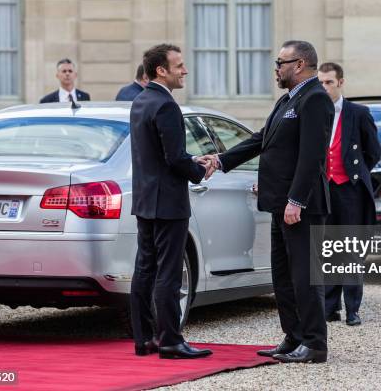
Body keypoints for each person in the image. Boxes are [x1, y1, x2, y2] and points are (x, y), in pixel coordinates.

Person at [201, 40, 334, 363]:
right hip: (278, 204)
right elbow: (262, 139)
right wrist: (221, 160)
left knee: (304, 277)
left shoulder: (315, 99)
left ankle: (314, 343)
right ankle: (293, 336)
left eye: (281, 62)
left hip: (300, 207)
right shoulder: (287, 100)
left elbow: (312, 156)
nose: (276, 68)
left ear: (299, 64)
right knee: (283, 277)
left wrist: (297, 200)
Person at [129, 43, 212, 359]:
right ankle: (171, 341)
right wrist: (199, 169)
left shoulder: (140, 101)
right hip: (168, 202)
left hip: (147, 200)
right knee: (168, 271)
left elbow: (158, 154)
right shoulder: (166, 106)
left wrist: (192, 158)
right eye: (179, 65)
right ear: (161, 70)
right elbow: (174, 159)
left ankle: (145, 339)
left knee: (145, 268)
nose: (184, 70)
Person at [318, 62, 381, 326]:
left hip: (350, 191)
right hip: (324, 190)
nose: (323, 87)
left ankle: (352, 308)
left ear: (340, 83)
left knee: (351, 250)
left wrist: (355, 174)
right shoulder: (315, 112)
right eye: (319, 83)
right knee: (327, 249)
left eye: (328, 82)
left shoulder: (358, 113)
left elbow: (373, 152)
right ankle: (329, 307)